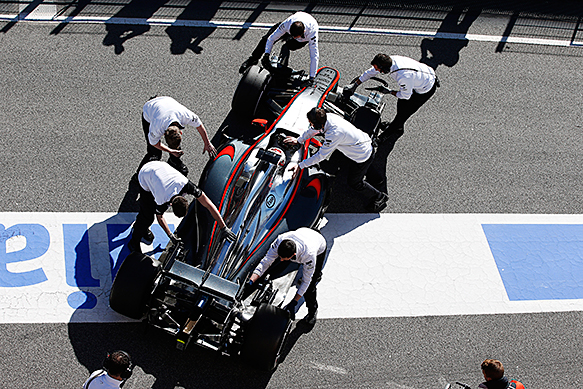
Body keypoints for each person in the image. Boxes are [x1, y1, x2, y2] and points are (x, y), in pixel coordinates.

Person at [286, 107, 388, 212]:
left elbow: (321, 156)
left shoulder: (333, 134)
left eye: (311, 123)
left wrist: (300, 165)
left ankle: (379, 197)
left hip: (361, 154)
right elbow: (313, 130)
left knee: (355, 182)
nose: (311, 125)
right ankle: (377, 179)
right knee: (365, 164)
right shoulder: (329, 117)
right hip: (364, 143)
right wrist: (299, 140)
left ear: (317, 124)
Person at [129, 160, 235, 253]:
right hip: (145, 175)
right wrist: (171, 236)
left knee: (148, 214)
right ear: (170, 205)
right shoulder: (162, 199)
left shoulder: (186, 184)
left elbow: (208, 204)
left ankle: (141, 228)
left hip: (159, 169)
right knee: (147, 216)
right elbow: (159, 218)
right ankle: (134, 240)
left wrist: (223, 227)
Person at [344, 54, 439, 145]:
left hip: (424, 90)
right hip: (418, 80)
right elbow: (371, 72)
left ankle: (383, 137)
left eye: (378, 69)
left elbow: (406, 96)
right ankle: (398, 127)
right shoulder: (390, 61)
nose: (376, 70)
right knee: (401, 106)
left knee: (403, 114)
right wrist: (355, 84)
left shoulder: (403, 76)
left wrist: (389, 92)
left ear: (385, 69)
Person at [249, 227, 327, 326]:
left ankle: (313, 311)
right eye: (280, 256)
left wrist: (294, 301)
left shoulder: (309, 255)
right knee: (275, 262)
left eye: (283, 258)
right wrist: (252, 279)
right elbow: (266, 261)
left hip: (318, 244)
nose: (281, 260)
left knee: (310, 287)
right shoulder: (280, 240)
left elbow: (306, 281)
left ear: (293, 255)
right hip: (305, 233)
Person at [138, 96, 217, 176]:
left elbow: (199, 125)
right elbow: (154, 143)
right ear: (164, 134)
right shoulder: (156, 127)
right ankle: (139, 175)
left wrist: (207, 143)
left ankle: (173, 162)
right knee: (155, 153)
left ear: (181, 132)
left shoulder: (186, 116)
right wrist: (170, 150)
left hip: (165, 102)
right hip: (149, 109)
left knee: (175, 143)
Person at [239, 11, 319, 79]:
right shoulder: (286, 24)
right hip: (292, 25)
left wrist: (312, 76)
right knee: (265, 39)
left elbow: (314, 55)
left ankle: (282, 65)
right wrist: (267, 54)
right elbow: (271, 39)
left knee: (289, 45)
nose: (293, 38)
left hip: (304, 35)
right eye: (292, 35)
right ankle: (253, 59)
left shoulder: (312, 33)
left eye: (295, 37)